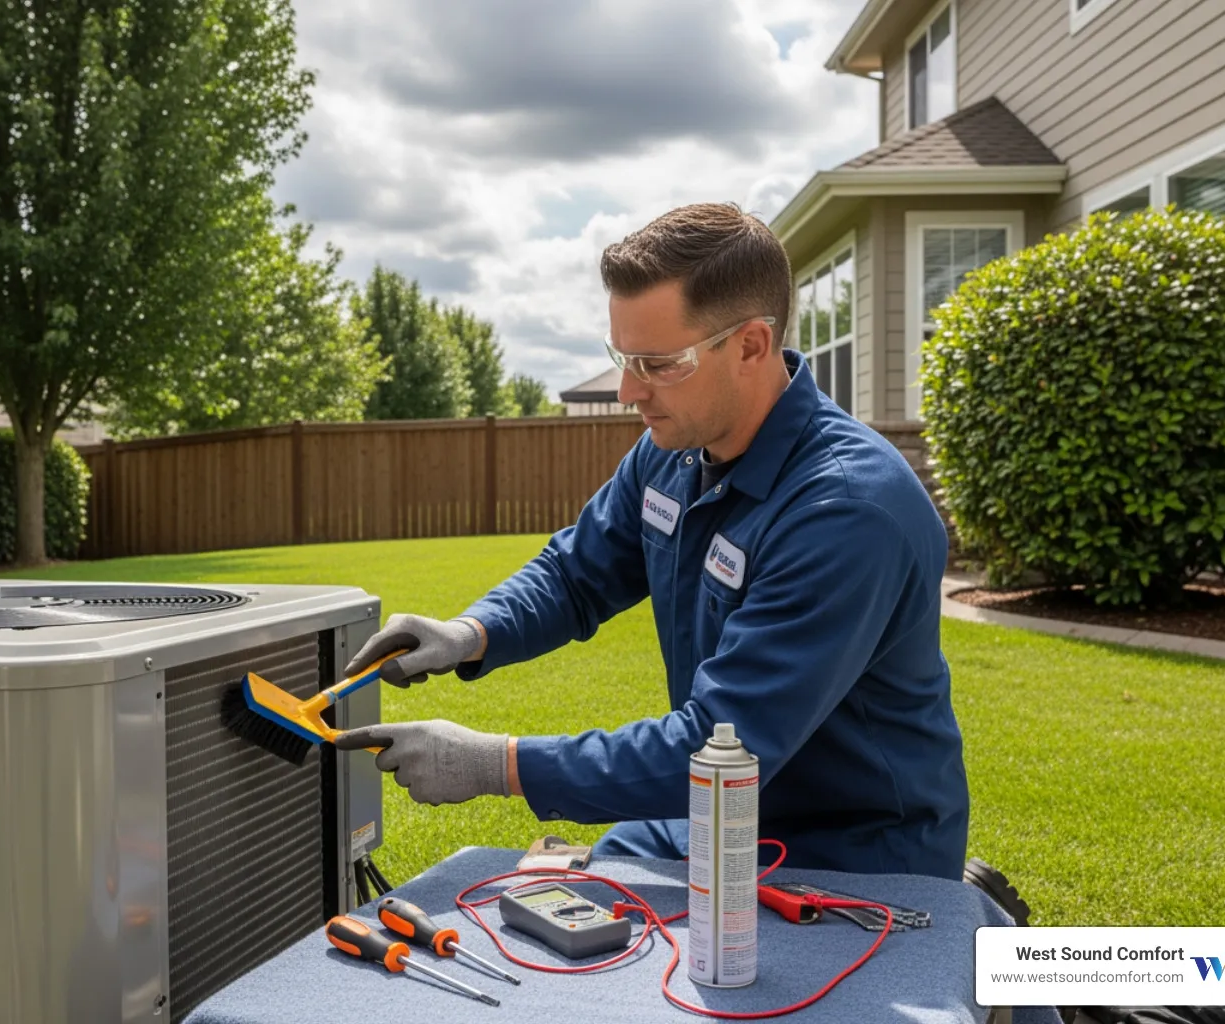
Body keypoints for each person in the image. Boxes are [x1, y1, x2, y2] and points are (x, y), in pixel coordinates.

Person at [334, 202, 970, 880]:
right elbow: (576, 573)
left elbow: (717, 748)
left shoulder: (846, 510)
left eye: (660, 362)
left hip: (847, 850)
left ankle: (979, 941)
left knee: (668, 974)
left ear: (752, 345)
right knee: (566, 904)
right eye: (624, 357)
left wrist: (497, 764)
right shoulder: (671, 453)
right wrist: (469, 632)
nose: (629, 390)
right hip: (707, 816)